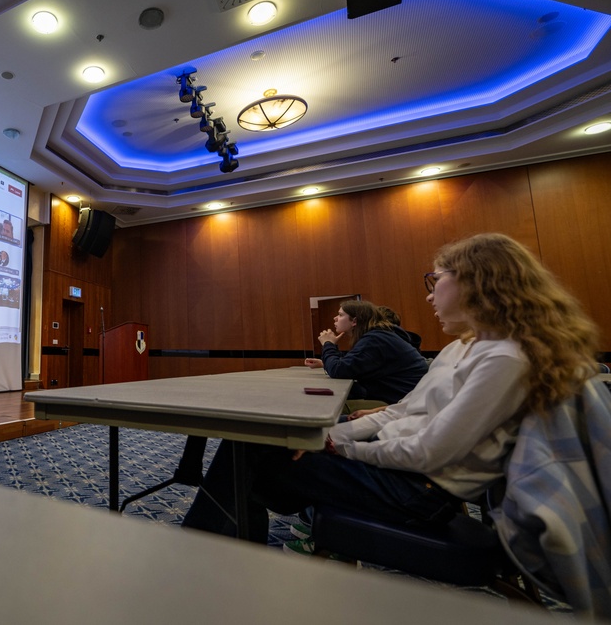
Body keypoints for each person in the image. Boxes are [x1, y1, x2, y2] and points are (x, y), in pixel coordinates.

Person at [182, 233, 600, 546]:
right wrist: (328, 437)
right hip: (400, 470)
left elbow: (428, 453)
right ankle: (222, 553)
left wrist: (339, 448)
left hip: (419, 491)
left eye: (436, 280)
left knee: (247, 453)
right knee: (254, 448)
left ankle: (202, 553)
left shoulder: (504, 359)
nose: (430, 293)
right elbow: (400, 412)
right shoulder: (463, 346)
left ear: (477, 282)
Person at [303, 299, 428, 405]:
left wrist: (328, 344)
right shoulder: (378, 336)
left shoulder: (376, 339)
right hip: (402, 398)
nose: (335, 318)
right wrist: (326, 362)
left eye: (340, 315)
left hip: (401, 404)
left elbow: (339, 370)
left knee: (324, 406)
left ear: (354, 321)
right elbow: (353, 363)